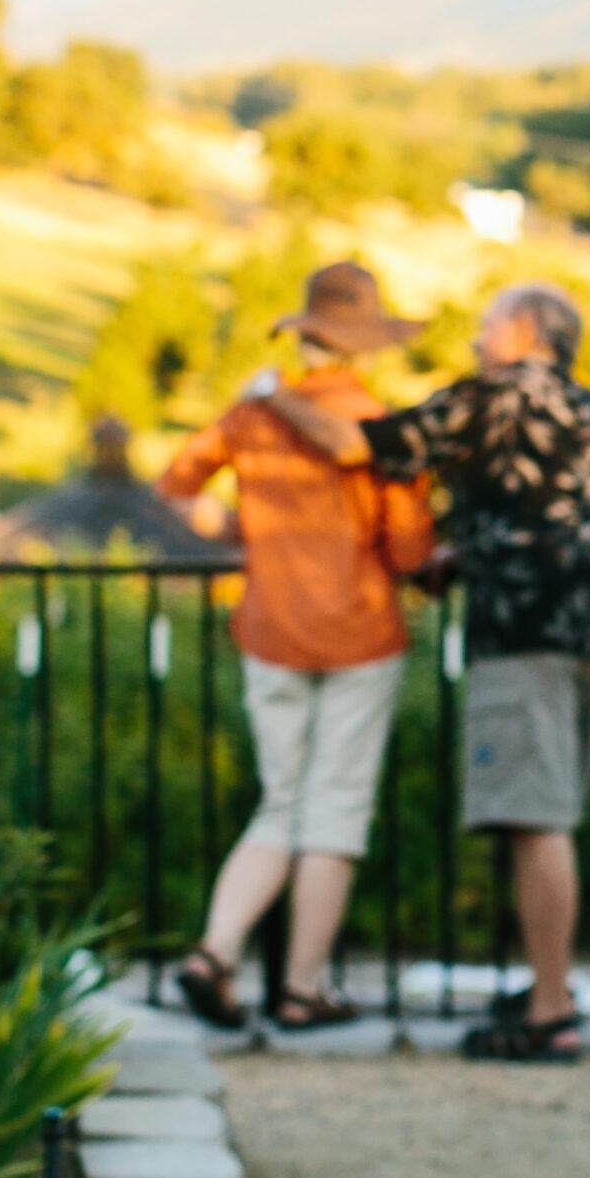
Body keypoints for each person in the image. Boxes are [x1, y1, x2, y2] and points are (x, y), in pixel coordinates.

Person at [257, 281, 590, 1062]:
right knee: (554, 812)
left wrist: (272, 397)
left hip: (526, 630)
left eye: (486, 323)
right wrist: (466, 554)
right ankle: (546, 985)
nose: (474, 339)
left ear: (527, 332)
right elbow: (561, 520)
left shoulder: (494, 397)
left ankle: (548, 1009)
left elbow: (354, 441)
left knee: (538, 820)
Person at [163, 261, 435, 1031]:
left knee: (281, 802)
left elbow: (177, 485)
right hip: (360, 633)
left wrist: (243, 536)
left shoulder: (251, 416)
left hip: (271, 629)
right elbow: (412, 552)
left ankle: (214, 954)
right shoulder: (377, 424)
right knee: (335, 809)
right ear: (362, 343)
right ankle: (302, 989)